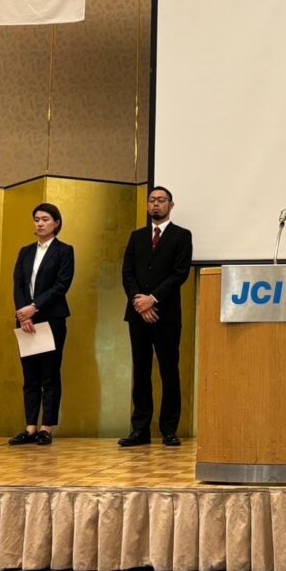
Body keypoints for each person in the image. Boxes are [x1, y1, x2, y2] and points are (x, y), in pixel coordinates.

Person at [119, 186, 193, 447]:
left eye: (161, 200)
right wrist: (139, 301)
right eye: (152, 200)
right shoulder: (137, 236)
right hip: (137, 314)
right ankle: (140, 430)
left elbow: (180, 273)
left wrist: (153, 299)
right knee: (141, 372)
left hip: (166, 315)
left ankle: (169, 429)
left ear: (171, 205)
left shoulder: (181, 236)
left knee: (168, 370)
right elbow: (127, 273)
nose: (156, 204)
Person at [9, 203, 74, 447]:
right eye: (36, 219)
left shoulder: (64, 251)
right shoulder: (25, 251)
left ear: (56, 223)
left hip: (51, 318)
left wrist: (35, 307)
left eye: (45, 219)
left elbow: (61, 285)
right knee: (30, 375)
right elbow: (18, 284)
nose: (40, 223)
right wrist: (24, 314)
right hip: (25, 320)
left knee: (50, 374)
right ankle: (30, 428)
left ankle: (46, 427)